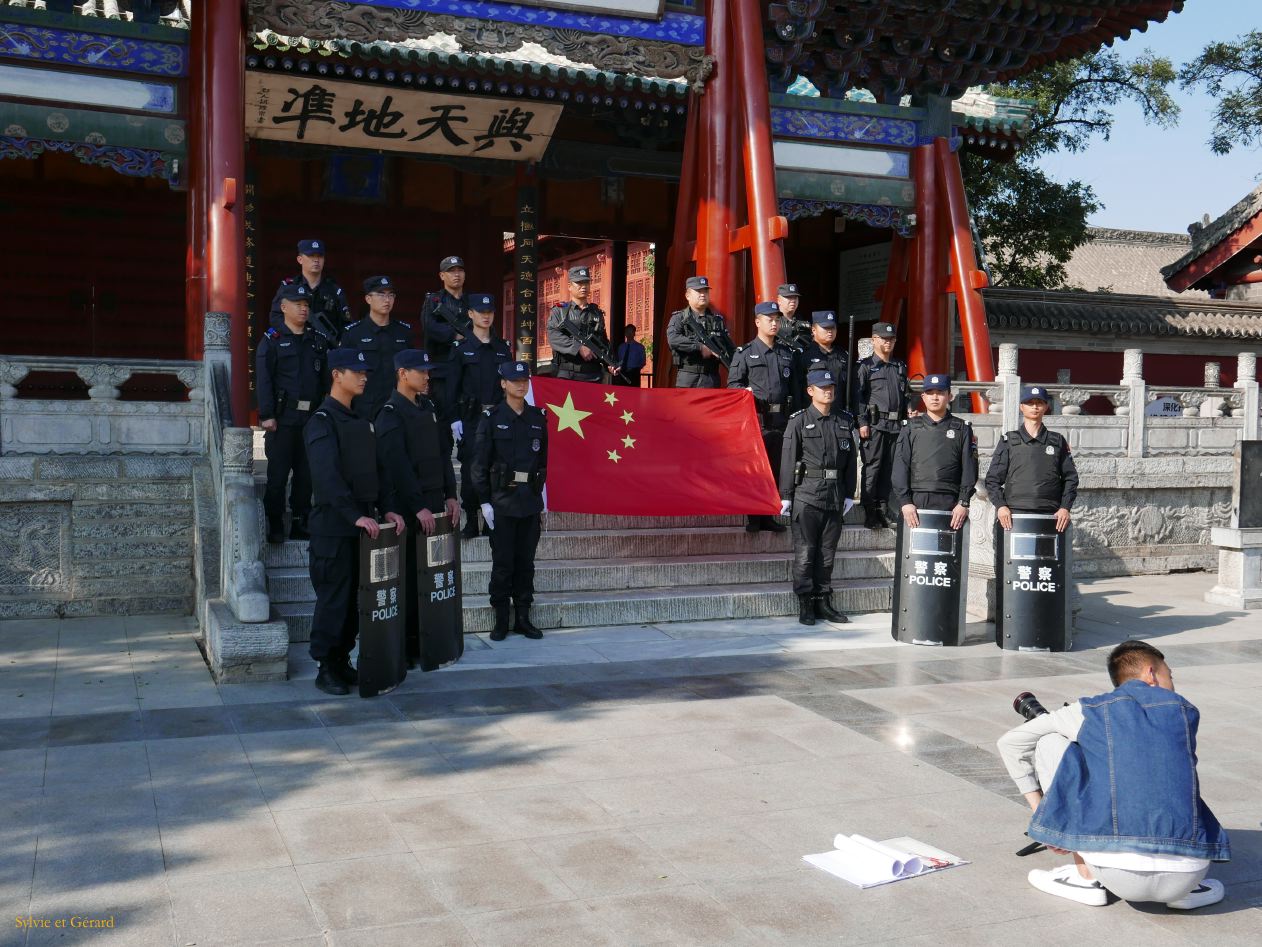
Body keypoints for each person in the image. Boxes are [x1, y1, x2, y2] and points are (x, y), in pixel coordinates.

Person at [997, 640, 1229, 910]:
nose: (1172, 683)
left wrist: (1044, 816)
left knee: (1050, 740)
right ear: (1151, 673)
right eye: (1170, 675)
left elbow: (1009, 743)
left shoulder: (1089, 710)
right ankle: (1185, 894)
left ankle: (1085, 879)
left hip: (1115, 872)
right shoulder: (1185, 711)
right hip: (1189, 875)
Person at [304, 348, 406, 696]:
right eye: (356, 372)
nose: (363, 377)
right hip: (333, 528)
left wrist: (387, 508)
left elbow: (378, 472)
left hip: (363, 528)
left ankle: (342, 659)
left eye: (365, 372)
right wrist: (354, 516)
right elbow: (327, 478)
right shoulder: (322, 421)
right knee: (333, 599)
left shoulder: (362, 422)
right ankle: (325, 666)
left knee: (354, 601)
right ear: (336, 375)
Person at [375, 349, 460, 669]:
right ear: (402, 374)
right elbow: (397, 467)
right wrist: (418, 507)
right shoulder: (390, 413)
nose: (427, 377)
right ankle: (407, 644)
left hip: (435, 506)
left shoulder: (429, 408)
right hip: (410, 510)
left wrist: (451, 495)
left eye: (428, 371)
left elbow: (442, 453)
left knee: (434, 577)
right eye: (421, 371)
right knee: (410, 580)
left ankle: (430, 640)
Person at [471, 361, 548, 641]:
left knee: (525, 563)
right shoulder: (491, 418)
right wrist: (484, 501)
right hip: (502, 502)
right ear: (503, 384)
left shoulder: (537, 417)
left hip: (529, 501)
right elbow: (479, 464)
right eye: (515, 381)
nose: (521, 385)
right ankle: (501, 618)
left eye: (524, 380)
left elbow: (542, 460)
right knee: (503, 563)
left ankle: (523, 618)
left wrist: (541, 495)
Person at [779, 369, 858, 625]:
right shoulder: (799, 421)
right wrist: (786, 495)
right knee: (805, 553)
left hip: (834, 495)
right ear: (810, 391)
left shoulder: (844, 421)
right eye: (823, 387)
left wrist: (849, 493)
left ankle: (823, 600)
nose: (828, 391)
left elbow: (851, 461)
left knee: (827, 553)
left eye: (831, 387)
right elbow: (788, 459)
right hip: (807, 494)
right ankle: (806, 602)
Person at [256, 283, 331, 543]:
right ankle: (275, 523)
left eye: (306, 305)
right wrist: (267, 414)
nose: (303, 309)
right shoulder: (272, 340)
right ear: (284, 307)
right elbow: (264, 380)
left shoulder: (316, 340)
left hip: (310, 418)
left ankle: (301, 521)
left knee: (306, 474)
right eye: (298, 304)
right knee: (277, 475)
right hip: (282, 419)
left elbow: (324, 381)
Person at [728, 300, 800, 533]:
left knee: (777, 468)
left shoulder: (786, 354)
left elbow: (796, 390)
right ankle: (754, 516)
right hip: (758, 420)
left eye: (777, 319)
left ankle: (769, 514)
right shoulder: (745, 353)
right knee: (756, 470)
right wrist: (745, 393)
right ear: (757, 322)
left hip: (782, 420)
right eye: (769, 319)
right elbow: (734, 385)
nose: (774, 323)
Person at [448, 293, 512, 538]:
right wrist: (454, 418)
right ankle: (472, 520)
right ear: (471, 314)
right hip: (472, 418)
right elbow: (452, 387)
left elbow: (510, 385)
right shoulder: (461, 349)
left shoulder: (502, 349)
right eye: (481, 312)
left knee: (496, 467)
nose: (486, 316)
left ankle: (492, 518)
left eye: (489, 312)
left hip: (497, 417)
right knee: (470, 469)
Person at [984, 385, 1079, 534]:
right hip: (1014, 514)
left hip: (1051, 513)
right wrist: (1001, 506)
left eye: (1039, 403)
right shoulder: (1009, 440)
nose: (1035, 407)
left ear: (1046, 407)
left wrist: (1065, 508)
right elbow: (992, 479)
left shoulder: (1057, 441)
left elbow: (1071, 478)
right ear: (1021, 407)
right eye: (1030, 403)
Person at [890, 374, 977, 530]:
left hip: (951, 502)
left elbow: (969, 467)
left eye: (940, 393)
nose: (935, 397)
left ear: (950, 396)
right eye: (930, 393)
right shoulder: (910, 428)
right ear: (923, 397)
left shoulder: (962, 428)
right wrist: (905, 501)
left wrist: (963, 502)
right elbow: (900, 466)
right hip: (916, 500)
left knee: (947, 545)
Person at [855, 321, 911, 529]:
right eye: (884, 339)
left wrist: (909, 411)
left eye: (891, 339)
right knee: (873, 467)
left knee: (889, 469)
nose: (888, 343)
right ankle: (869, 510)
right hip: (875, 425)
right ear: (874, 340)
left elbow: (905, 395)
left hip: (895, 426)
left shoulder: (899, 367)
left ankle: (883, 508)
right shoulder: (865, 367)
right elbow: (859, 398)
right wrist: (862, 422)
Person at [340, 275, 413, 422]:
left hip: (398, 408)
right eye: (381, 294)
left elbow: (411, 370)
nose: (387, 300)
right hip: (364, 410)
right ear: (368, 299)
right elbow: (342, 374)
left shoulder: (403, 332)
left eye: (391, 295)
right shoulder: (353, 333)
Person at [420, 255, 471, 430]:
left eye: (460, 270)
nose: (456, 274)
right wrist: (455, 336)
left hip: (467, 367)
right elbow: (429, 327)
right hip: (442, 369)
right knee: (442, 419)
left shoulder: (471, 302)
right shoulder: (434, 301)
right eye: (451, 271)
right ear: (442, 276)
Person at [546, 265, 619, 383]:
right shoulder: (560, 311)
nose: (583, 286)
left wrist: (610, 362)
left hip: (594, 375)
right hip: (568, 375)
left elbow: (603, 341)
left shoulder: (596, 313)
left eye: (586, 282)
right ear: (569, 286)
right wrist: (578, 347)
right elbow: (553, 336)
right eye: (579, 283)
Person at [268, 238, 351, 339]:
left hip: (326, 346)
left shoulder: (334, 290)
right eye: (311, 256)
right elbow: (276, 317)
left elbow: (346, 324)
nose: (316, 260)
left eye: (320, 256)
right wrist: (293, 336)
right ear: (300, 259)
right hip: (297, 343)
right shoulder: (289, 287)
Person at [666, 275, 731, 388]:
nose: (703, 294)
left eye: (705, 291)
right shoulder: (679, 318)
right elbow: (673, 340)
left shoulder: (717, 320)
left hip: (711, 378)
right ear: (687, 295)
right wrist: (699, 347)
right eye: (698, 291)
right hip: (688, 378)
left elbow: (728, 347)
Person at [796, 310, 852, 407]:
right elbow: (796, 388)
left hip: (838, 411)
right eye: (825, 327)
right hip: (812, 412)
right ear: (814, 330)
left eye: (832, 327)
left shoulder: (843, 355)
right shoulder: (803, 355)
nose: (830, 331)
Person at [775, 282, 810, 353]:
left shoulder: (803, 320)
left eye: (795, 297)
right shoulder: (773, 322)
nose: (793, 300)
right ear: (779, 300)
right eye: (789, 297)